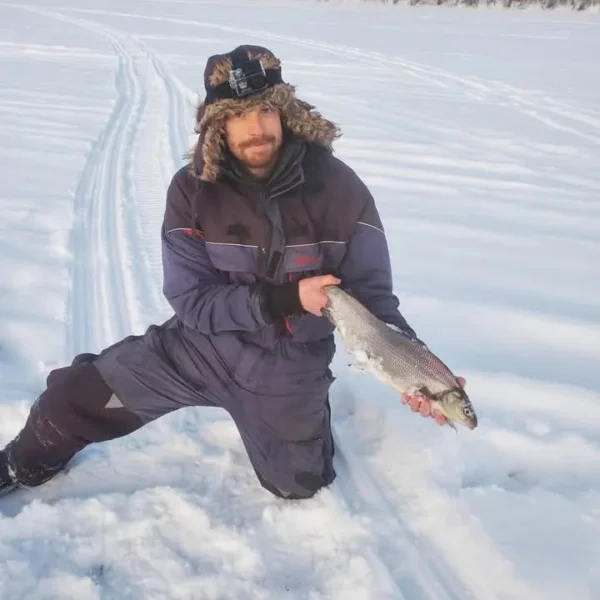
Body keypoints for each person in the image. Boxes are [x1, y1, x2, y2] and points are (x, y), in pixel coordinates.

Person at [0, 45, 463, 500]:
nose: (256, 128)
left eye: (265, 109)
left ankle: (306, 414)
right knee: (71, 403)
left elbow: (374, 297)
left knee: (298, 486)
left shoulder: (340, 189)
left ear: (285, 110)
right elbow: (192, 301)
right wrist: (284, 299)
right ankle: (16, 466)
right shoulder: (191, 191)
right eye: (238, 114)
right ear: (217, 122)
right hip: (198, 350)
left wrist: (421, 368)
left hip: (289, 368)